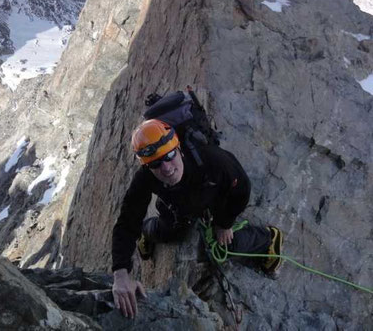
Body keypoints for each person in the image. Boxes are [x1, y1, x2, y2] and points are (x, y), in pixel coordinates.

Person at [111, 119, 283, 318]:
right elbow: (126, 223)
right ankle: (146, 232)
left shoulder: (212, 160)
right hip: (177, 206)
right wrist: (120, 274)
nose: (166, 168)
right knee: (170, 231)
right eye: (156, 163)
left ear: (178, 148)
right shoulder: (145, 177)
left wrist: (224, 223)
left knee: (224, 247)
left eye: (169, 156)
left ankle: (268, 240)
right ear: (147, 165)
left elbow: (242, 188)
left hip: (210, 197)